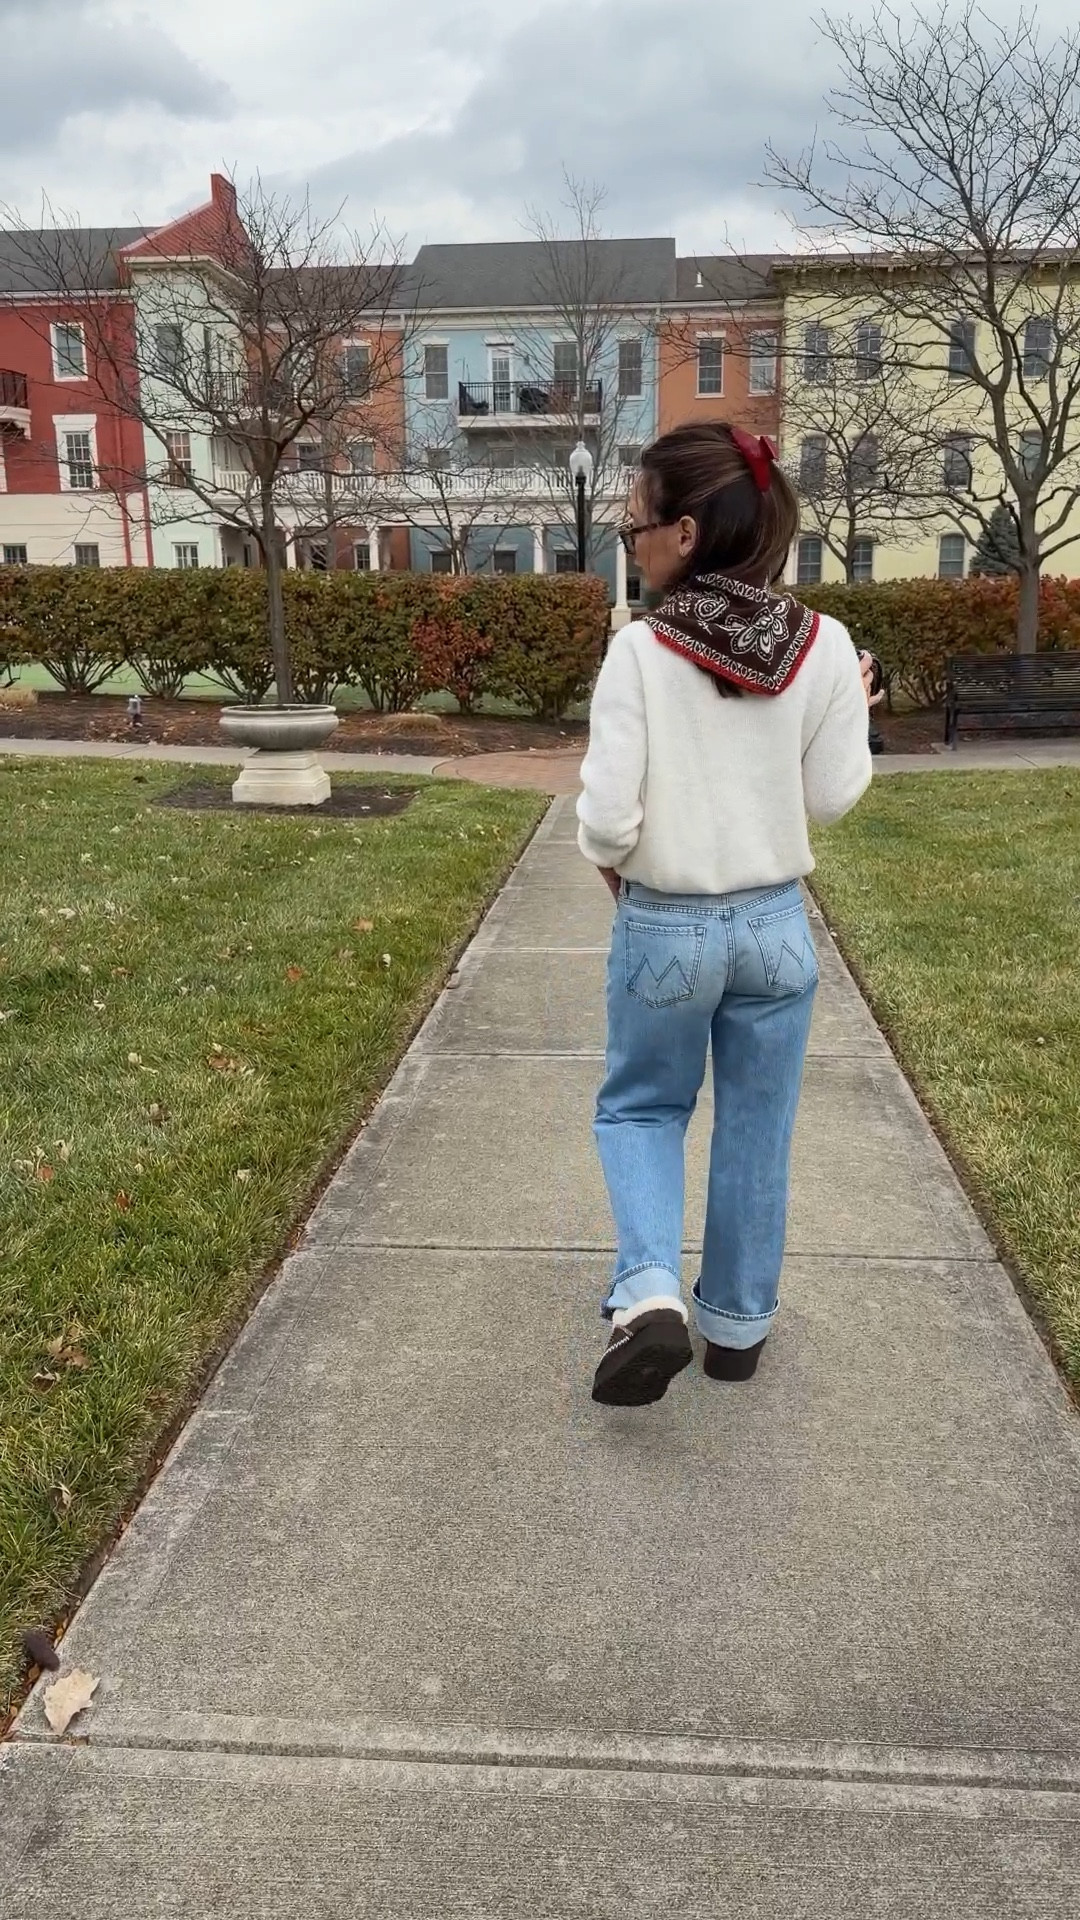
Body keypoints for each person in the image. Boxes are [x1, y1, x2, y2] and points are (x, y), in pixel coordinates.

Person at [577, 422, 877, 1407]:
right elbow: (831, 796)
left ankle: (650, 1295)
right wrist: (850, 708)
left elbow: (608, 818)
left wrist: (620, 873)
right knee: (758, 1123)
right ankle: (738, 1328)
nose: (634, 540)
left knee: (644, 1108)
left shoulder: (642, 649)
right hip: (777, 927)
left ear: (689, 534)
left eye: (639, 526)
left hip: (667, 921)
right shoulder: (826, 646)